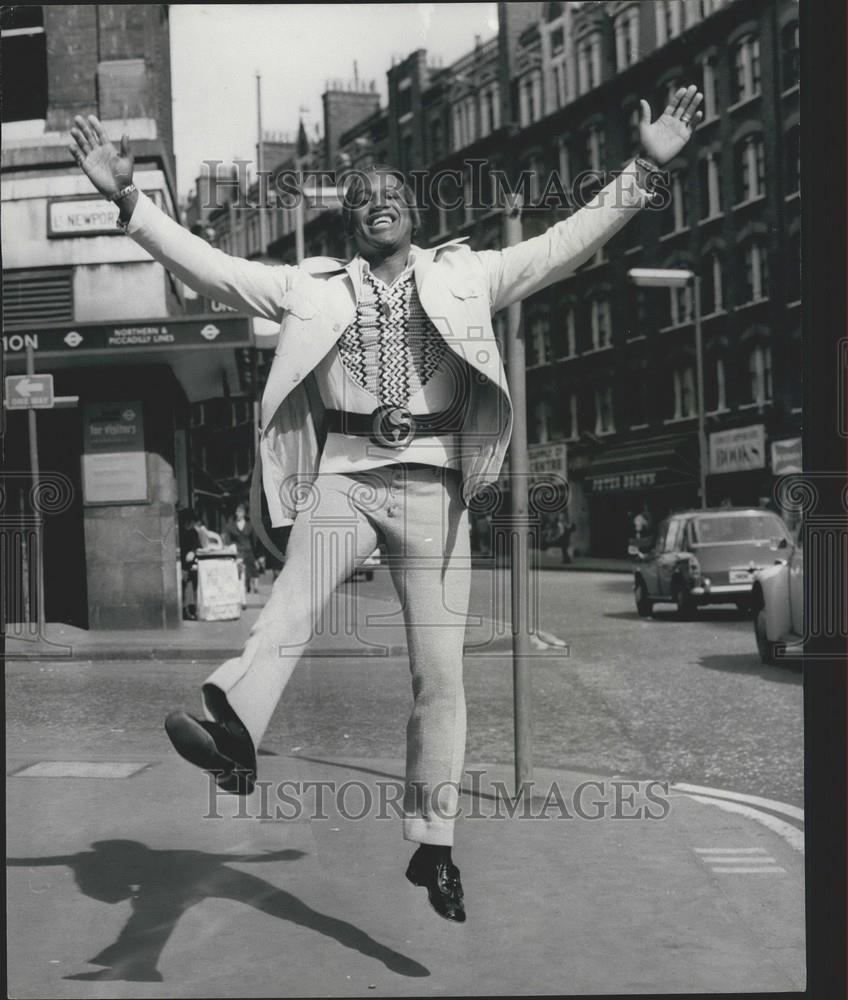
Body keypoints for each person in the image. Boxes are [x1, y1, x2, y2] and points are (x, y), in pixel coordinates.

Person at [69, 84, 703, 924]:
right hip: (346, 473)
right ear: (349, 224)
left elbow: (565, 244)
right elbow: (214, 271)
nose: (378, 207)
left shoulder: (470, 272)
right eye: (363, 200)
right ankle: (234, 733)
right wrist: (128, 200)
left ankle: (433, 845)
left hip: (435, 485)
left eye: (391, 196)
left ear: (412, 210)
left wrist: (642, 172)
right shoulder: (313, 288)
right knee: (290, 606)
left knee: (439, 676)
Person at [223, 503, 259, 593]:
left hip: (248, 550)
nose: (238, 513)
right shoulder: (231, 525)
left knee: (251, 570)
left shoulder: (250, 525)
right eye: (237, 511)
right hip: (238, 551)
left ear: (244, 513)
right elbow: (227, 539)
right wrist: (231, 545)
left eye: (240, 511)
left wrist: (257, 554)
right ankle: (242, 587)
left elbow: (254, 540)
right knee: (240, 571)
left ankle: (252, 586)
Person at [177, 508, 201, 621]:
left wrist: (193, 551)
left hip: (191, 565)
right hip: (182, 564)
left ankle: (191, 609)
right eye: (192, 522)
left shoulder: (193, 532)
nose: (193, 524)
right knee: (184, 585)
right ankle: (185, 610)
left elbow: (197, 546)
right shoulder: (179, 532)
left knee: (191, 587)